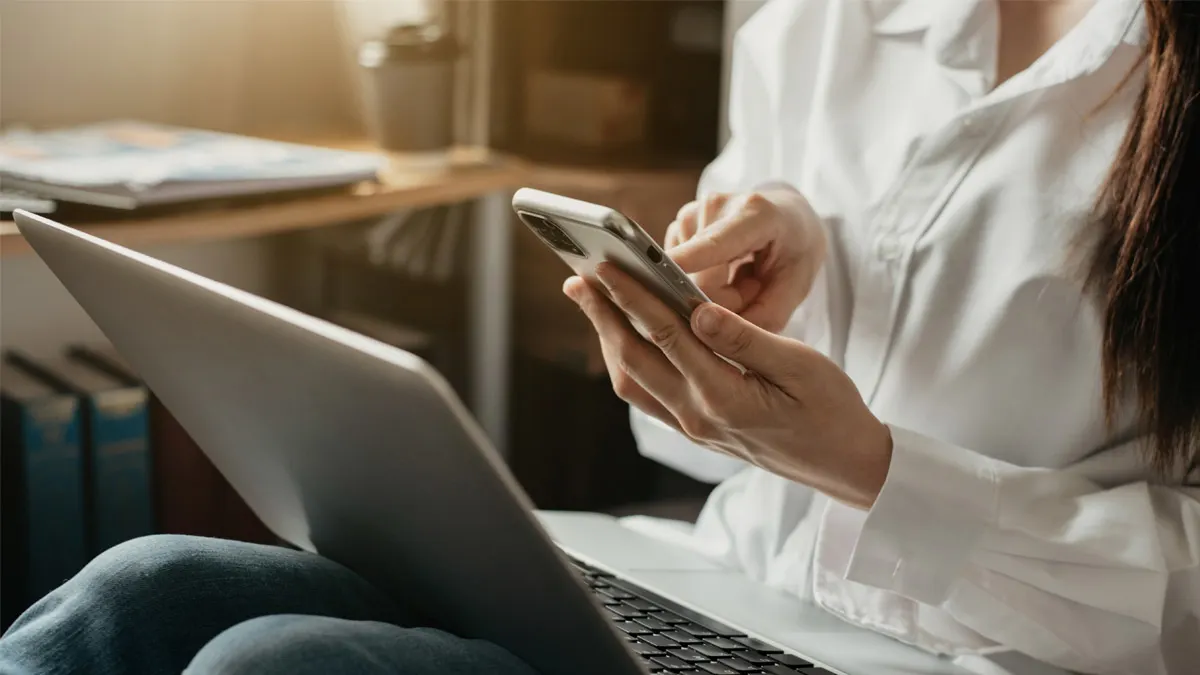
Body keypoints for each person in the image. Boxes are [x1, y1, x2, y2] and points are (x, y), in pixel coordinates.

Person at [1, 0, 1196, 674]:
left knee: (272, 667)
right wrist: (781, 243)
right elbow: (700, 442)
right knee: (135, 592)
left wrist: (871, 469)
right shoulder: (816, 21)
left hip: (973, 660)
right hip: (729, 585)